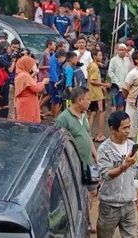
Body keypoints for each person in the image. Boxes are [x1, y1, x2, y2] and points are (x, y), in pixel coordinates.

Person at [54, 86, 98, 234]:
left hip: (89, 164)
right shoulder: (63, 119)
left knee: (93, 192)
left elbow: (88, 136)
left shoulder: (84, 115)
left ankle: (88, 220)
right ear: (79, 100)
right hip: (74, 167)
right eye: (87, 99)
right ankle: (77, 223)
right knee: (75, 195)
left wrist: (95, 155)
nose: (90, 102)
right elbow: (57, 144)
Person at [97, 111, 138, 238]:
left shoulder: (132, 146)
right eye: (124, 128)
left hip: (129, 204)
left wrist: (135, 194)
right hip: (109, 206)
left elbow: (134, 173)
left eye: (129, 127)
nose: (128, 131)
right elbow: (106, 175)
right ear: (112, 129)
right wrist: (124, 166)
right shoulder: (104, 149)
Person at [15, 55, 49, 123]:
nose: (33, 66)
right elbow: (35, 88)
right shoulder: (24, 75)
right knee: (27, 123)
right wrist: (43, 83)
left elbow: (31, 86)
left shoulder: (22, 74)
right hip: (27, 104)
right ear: (26, 64)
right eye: (31, 64)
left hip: (26, 102)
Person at [89, 50, 111, 142]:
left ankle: (88, 134)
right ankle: (100, 134)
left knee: (93, 113)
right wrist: (104, 85)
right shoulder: (94, 67)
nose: (101, 57)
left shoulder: (91, 65)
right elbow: (92, 80)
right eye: (100, 55)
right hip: (98, 94)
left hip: (92, 93)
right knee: (102, 112)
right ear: (94, 56)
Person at [107, 43, 132, 112]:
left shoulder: (128, 60)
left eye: (122, 50)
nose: (121, 51)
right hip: (116, 87)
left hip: (126, 87)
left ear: (125, 51)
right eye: (119, 50)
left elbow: (131, 71)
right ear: (117, 51)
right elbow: (110, 72)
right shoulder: (113, 60)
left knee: (123, 105)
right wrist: (116, 81)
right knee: (116, 105)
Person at [38, 40, 56, 110]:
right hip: (44, 76)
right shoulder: (44, 54)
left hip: (48, 75)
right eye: (54, 45)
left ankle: (39, 109)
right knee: (49, 93)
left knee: (45, 94)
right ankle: (39, 108)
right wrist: (49, 66)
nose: (55, 46)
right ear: (49, 45)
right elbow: (39, 66)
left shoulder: (51, 53)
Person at [49, 50, 66, 118]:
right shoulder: (54, 59)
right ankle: (55, 117)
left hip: (56, 81)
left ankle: (55, 117)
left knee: (56, 101)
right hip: (55, 82)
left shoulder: (63, 63)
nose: (58, 60)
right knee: (56, 101)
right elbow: (53, 70)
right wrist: (57, 81)